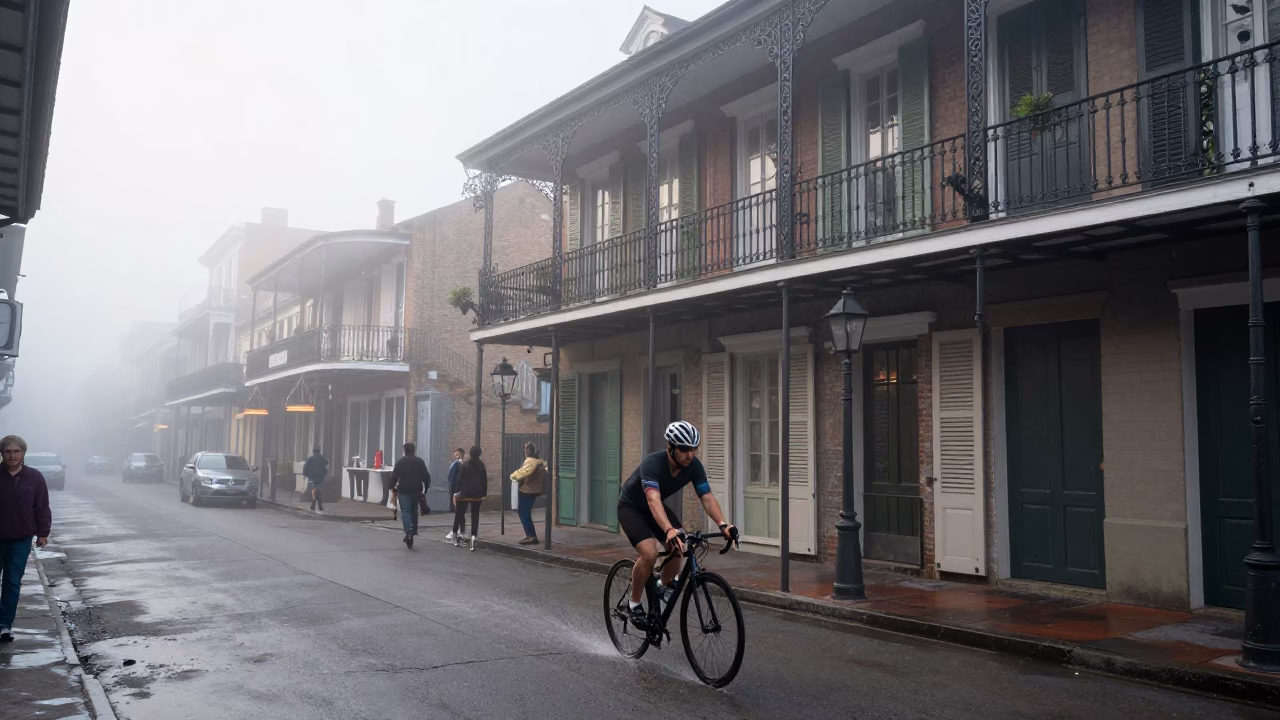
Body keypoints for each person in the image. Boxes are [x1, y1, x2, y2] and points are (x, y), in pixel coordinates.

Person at [617, 421, 736, 631]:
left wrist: (723, 524)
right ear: (670, 447)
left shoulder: (693, 466)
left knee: (681, 547)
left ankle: (661, 586)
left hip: (655, 507)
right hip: (631, 507)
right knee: (649, 553)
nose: (689, 454)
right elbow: (652, 500)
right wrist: (668, 529)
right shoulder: (653, 464)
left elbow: (706, 496)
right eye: (684, 449)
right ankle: (633, 604)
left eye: (693, 449)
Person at [0, 435, 50, 643]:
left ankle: (5, 625)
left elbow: (41, 507)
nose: (12, 455)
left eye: (16, 451)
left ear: (23, 453)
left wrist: (43, 532)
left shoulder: (35, 477)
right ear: (2, 454)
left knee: (12, 582)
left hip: (20, 539)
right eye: (8, 451)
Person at [390, 442, 431, 549]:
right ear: (414, 450)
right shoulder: (419, 461)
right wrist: (425, 488)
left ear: (404, 450)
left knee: (405, 511)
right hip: (416, 489)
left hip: (403, 489)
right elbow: (426, 476)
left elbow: (394, 476)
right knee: (413, 511)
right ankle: (414, 531)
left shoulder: (401, 462)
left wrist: (391, 486)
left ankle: (408, 531)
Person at [509, 442, 546, 546]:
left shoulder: (531, 461)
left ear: (530, 450)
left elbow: (522, 473)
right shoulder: (539, 461)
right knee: (524, 512)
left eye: (526, 449)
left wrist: (512, 476)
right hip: (534, 490)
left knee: (523, 512)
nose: (524, 451)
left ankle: (531, 536)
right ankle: (530, 535)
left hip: (528, 490)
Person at [452, 446, 487, 552]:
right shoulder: (482, 466)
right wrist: (483, 493)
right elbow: (484, 481)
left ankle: (455, 536)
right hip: (477, 493)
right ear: (479, 454)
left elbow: (460, 479)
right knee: (475, 515)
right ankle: (472, 539)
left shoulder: (465, 464)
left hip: (465, 493)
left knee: (459, 514)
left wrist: (457, 491)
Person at [444, 448, 465, 541]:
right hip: (454, 488)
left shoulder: (460, 464)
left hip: (456, 489)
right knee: (458, 510)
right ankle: (459, 531)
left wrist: (455, 489)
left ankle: (458, 531)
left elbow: (457, 478)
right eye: (455, 453)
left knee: (458, 510)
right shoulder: (456, 463)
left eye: (458, 454)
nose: (456, 455)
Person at [302, 446, 328, 513]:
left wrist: (305, 474)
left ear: (313, 452)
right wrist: (325, 472)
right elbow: (326, 464)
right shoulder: (322, 458)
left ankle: (314, 505)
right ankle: (319, 506)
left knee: (314, 491)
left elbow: (305, 467)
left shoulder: (310, 459)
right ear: (319, 452)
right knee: (318, 491)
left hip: (312, 478)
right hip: (320, 478)